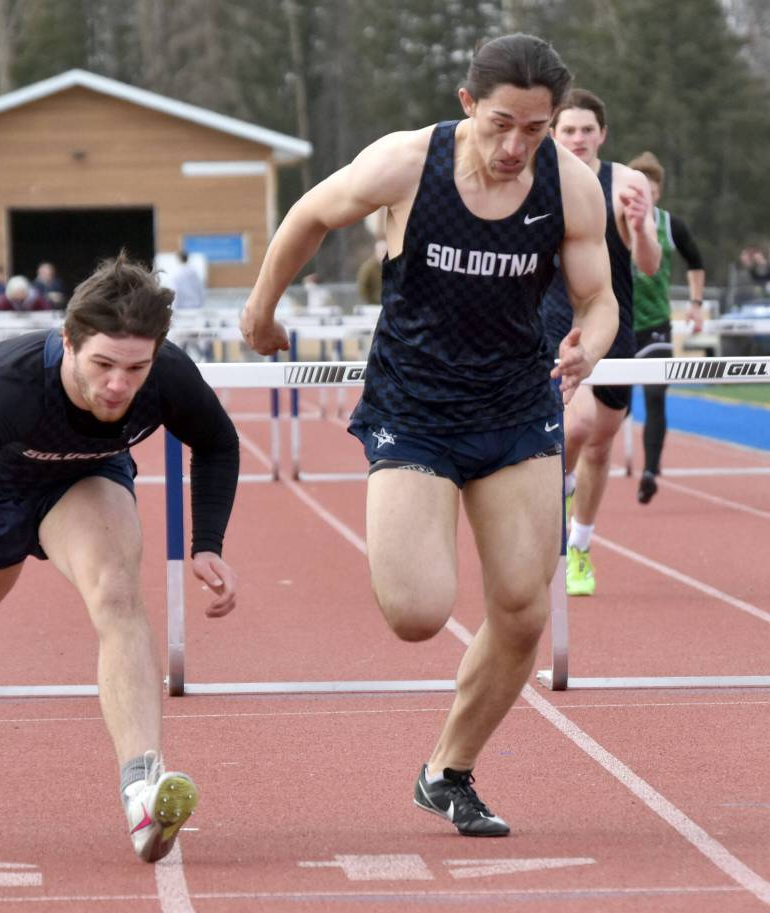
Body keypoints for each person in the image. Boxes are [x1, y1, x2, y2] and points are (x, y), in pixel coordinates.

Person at [240, 33, 617, 837]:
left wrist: (593, 340)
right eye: (502, 124)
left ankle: (448, 770)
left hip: (516, 410)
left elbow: (599, 296)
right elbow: (311, 214)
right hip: (415, 409)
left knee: (522, 608)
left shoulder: (570, 185)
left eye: (537, 130)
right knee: (416, 611)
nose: (516, 146)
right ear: (468, 105)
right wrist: (261, 310)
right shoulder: (408, 163)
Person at [0, 254, 240, 863]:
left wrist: (207, 542)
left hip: (83, 484)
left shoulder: (168, 373)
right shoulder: (12, 383)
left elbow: (218, 441)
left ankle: (142, 791)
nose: (119, 385)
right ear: (68, 341)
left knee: (117, 594)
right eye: (102, 364)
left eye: (135, 368)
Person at [541, 89, 660, 596]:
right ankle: (558, 490)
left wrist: (638, 228)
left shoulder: (627, 183)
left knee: (601, 444)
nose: (579, 138)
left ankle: (581, 547)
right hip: (555, 324)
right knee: (578, 425)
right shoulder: (535, 181)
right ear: (552, 134)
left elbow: (649, 264)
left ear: (602, 134)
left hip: (616, 324)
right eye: (568, 130)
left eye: (587, 129)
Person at [628, 151, 705, 504]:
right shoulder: (610, 219)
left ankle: (650, 471)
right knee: (608, 410)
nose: (646, 195)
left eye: (652, 190)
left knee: (655, 398)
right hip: (614, 326)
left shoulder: (670, 225)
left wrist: (695, 304)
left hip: (655, 324)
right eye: (639, 187)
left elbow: (696, 261)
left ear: (658, 193)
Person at [356, 239, 388, 305]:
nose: (385, 254)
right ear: (376, 252)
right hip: (374, 305)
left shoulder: (394, 265)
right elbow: (363, 287)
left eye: (387, 251)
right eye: (383, 251)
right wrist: (370, 302)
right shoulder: (368, 268)